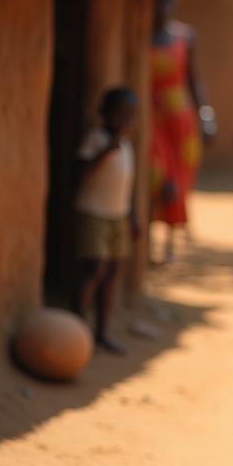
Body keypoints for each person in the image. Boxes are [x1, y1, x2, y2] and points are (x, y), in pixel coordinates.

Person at [149, 0, 215, 264]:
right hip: (152, 118)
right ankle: (150, 240)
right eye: (159, 1)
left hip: (180, 119)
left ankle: (169, 243)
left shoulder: (185, 37)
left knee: (180, 177)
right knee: (157, 176)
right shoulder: (142, 36)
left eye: (168, 1)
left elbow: (193, 79)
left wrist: (205, 114)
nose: (163, 6)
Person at [74, 87, 139, 354]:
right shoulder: (96, 139)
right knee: (93, 269)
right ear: (105, 113)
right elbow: (82, 171)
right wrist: (105, 152)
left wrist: (132, 216)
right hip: (93, 213)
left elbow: (128, 184)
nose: (124, 120)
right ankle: (76, 329)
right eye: (120, 114)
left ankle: (101, 332)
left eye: (129, 115)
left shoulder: (126, 144)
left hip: (117, 216)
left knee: (111, 273)